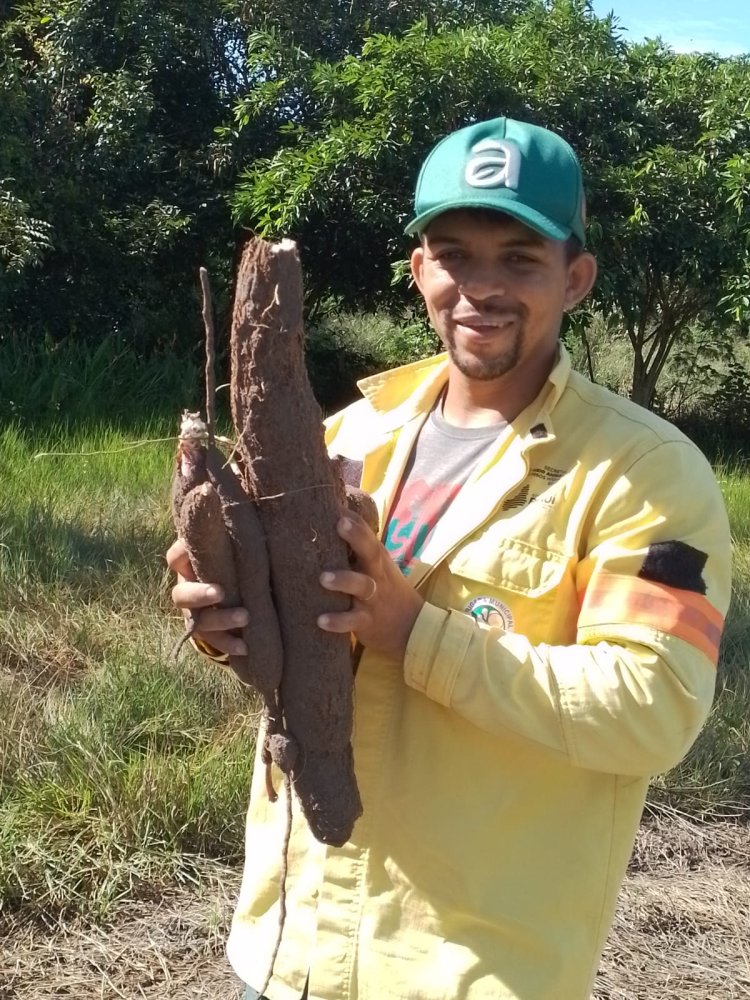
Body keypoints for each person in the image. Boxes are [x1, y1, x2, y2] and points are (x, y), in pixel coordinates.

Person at [167, 117, 732, 1000]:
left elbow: (651, 709)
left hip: (466, 965)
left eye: (520, 259)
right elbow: (301, 642)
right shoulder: (346, 436)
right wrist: (225, 611)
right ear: (418, 270)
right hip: (289, 944)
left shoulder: (645, 473)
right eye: (455, 254)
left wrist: (414, 633)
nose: (482, 287)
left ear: (575, 278)